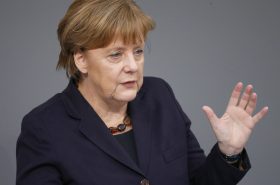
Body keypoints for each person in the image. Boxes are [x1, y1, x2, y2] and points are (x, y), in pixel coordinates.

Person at [16, 0, 268, 185]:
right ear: (81, 60)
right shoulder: (43, 128)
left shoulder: (160, 95)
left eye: (137, 51)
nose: (133, 66)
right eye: (116, 54)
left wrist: (229, 152)